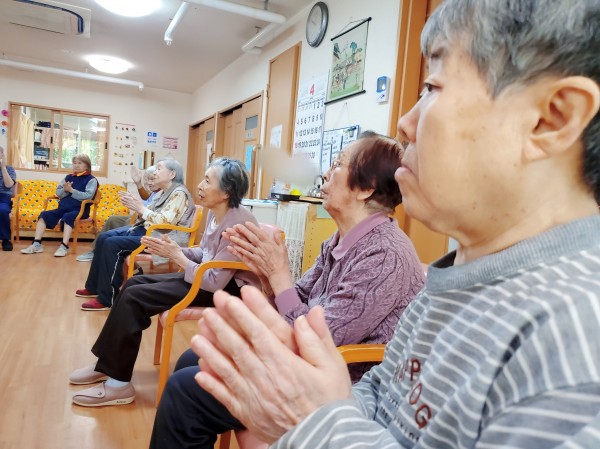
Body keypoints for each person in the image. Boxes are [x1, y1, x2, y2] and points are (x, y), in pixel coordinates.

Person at [185, 1, 600, 447]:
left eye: (433, 86)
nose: (405, 122)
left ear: (551, 118)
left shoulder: (578, 337)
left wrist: (314, 421)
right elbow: (383, 391)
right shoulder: (453, 276)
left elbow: (325, 346)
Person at [150, 132, 425, 448]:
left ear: (366, 188)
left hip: (340, 385)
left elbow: (321, 340)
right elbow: (299, 297)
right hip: (304, 360)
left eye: (338, 164)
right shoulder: (338, 241)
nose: (326, 173)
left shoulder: (385, 253)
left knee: (186, 392)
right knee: (193, 359)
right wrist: (269, 278)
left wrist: (279, 276)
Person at [69, 158, 261, 406]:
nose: (200, 185)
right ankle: (106, 364)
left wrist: (178, 257)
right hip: (207, 277)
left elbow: (215, 282)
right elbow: (206, 253)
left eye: (207, 181)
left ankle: (118, 385)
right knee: (134, 284)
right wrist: (175, 250)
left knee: (134, 298)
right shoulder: (217, 214)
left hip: (228, 290)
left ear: (226, 192)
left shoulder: (238, 224)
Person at [75, 157, 195, 311]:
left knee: (112, 244)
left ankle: (107, 299)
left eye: (159, 169)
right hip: (148, 230)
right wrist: (136, 206)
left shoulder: (179, 193)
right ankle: (93, 286)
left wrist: (140, 208)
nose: (155, 173)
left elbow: (165, 222)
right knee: (104, 237)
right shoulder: (165, 192)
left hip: (162, 238)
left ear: (172, 174)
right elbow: (146, 213)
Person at [20, 153, 98, 257]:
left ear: (87, 166)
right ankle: (37, 244)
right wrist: (65, 190)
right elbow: (58, 193)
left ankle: (64, 246)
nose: (76, 165)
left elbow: (88, 196)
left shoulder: (91, 179)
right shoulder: (68, 177)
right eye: (74, 163)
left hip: (80, 210)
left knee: (68, 216)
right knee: (44, 214)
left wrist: (72, 190)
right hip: (63, 208)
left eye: (80, 163)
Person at [76, 165, 158, 263]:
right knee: (112, 219)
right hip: (139, 217)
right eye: (148, 179)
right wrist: (138, 183)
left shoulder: (165, 192)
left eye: (152, 179)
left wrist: (138, 207)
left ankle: (116, 253)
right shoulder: (156, 191)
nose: (149, 182)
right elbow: (147, 197)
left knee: (128, 224)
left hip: (144, 221)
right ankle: (95, 251)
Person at [0, 145, 16, 251]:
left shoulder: (10, 169)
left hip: (4, 196)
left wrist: (3, 168)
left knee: (2, 210)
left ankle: (5, 239)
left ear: (2, 155)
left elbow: (9, 184)